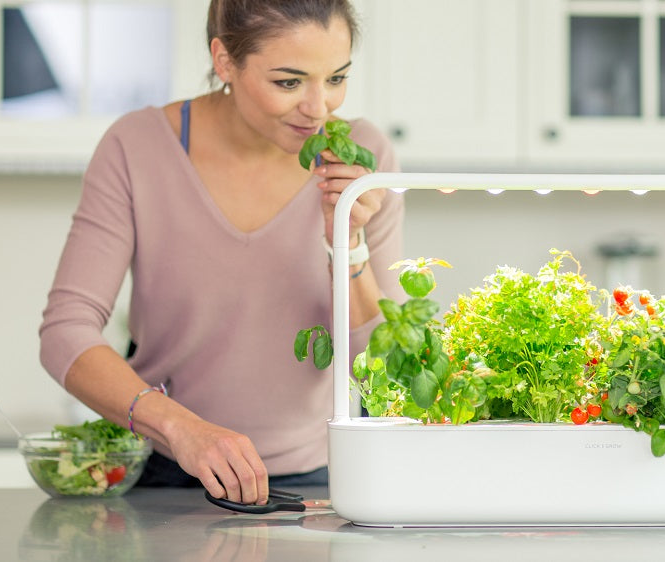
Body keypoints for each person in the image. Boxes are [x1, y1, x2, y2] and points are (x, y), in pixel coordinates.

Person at [38, 0, 404, 506]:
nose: (320, 108)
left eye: (336, 77)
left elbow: (385, 364)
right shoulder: (136, 147)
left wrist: (348, 241)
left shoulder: (363, 156)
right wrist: (180, 429)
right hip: (167, 472)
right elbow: (65, 331)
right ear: (225, 60)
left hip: (323, 480)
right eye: (289, 82)